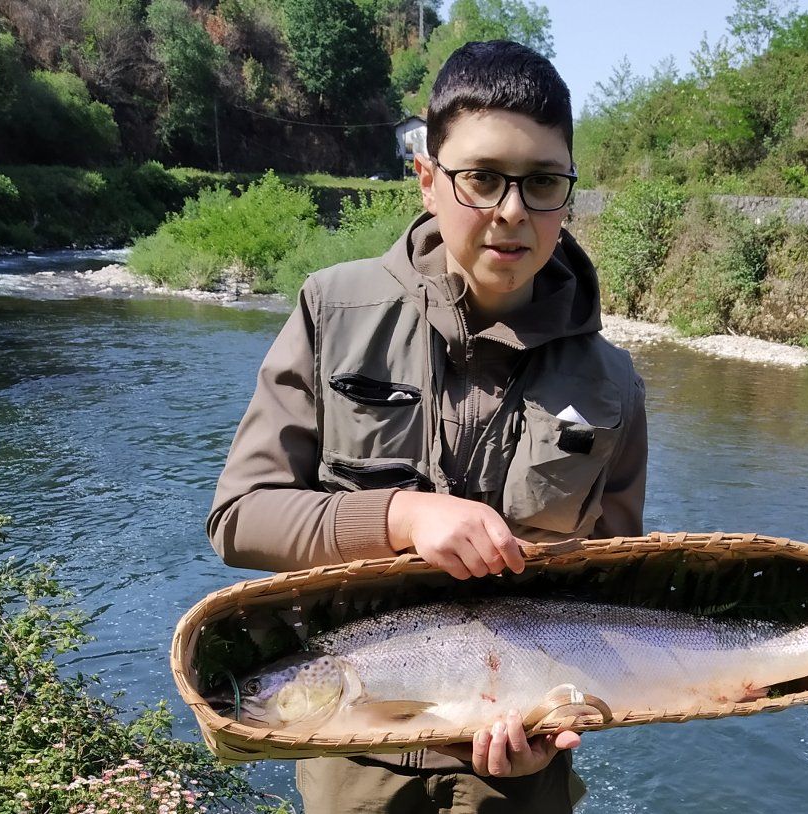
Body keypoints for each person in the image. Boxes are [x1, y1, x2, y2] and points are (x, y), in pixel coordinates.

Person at [207, 39, 648, 814]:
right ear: (427, 178)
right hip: (352, 761)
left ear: (566, 196)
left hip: (522, 782)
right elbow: (240, 517)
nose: (512, 212)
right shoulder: (330, 310)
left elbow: (611, 593)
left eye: (542, 182)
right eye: (482, 179)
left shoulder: (612, 384)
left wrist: (556, 721)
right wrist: (403, 514)